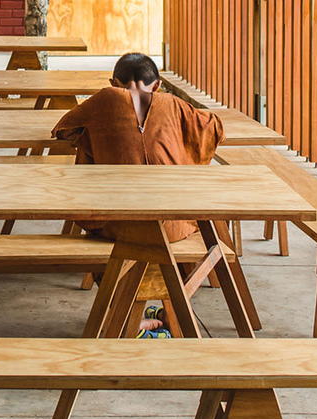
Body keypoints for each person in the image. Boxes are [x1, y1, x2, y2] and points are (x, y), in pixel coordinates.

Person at [51, 52, 225, 336]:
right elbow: (215, 129)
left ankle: (127, 315)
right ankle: (165, 308)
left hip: (116, 226)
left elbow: (64, 130)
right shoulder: (173, 104)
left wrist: (102, 141)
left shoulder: (105, 98)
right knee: (200, 221)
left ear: (112, 83)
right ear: (157, 86)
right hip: (173, 227)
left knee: (98, 228)